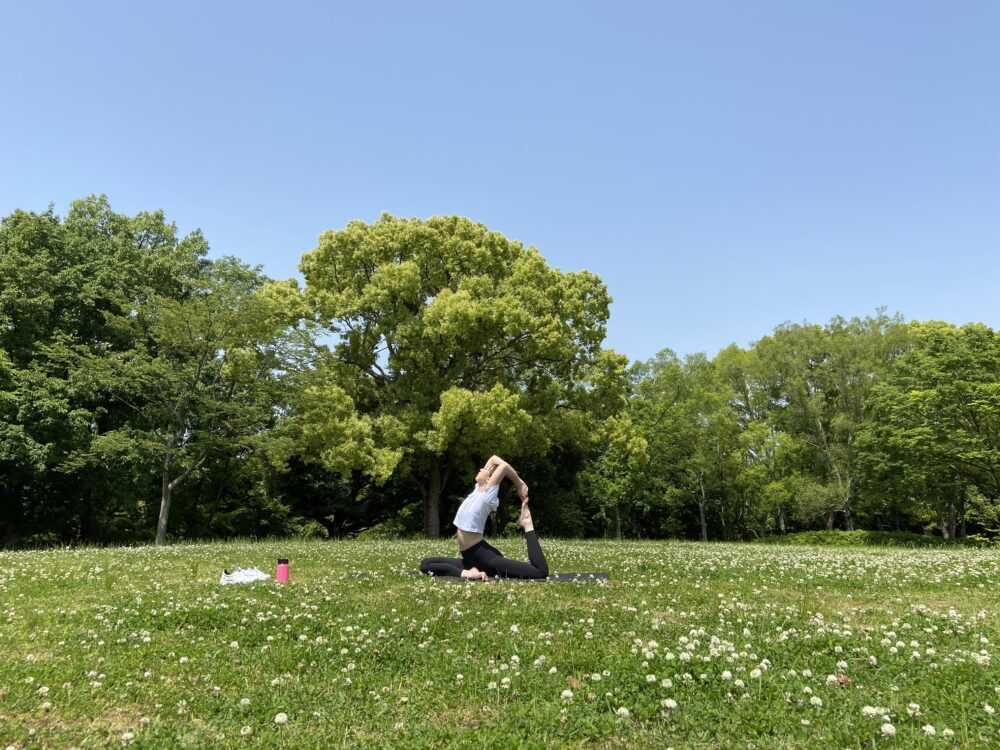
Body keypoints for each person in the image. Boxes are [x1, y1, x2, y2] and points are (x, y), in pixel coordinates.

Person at [419, 455, 550, 580]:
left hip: (485, 558)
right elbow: (493, 458)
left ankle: (527, 523)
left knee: (540, 572)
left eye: (486, 469)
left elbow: (503, 466)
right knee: (426, 564)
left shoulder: (488, 495)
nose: (482, 468)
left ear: (490, 480)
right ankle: (468, 573)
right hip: (471, 558)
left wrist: (518, 483)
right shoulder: (478, 490)